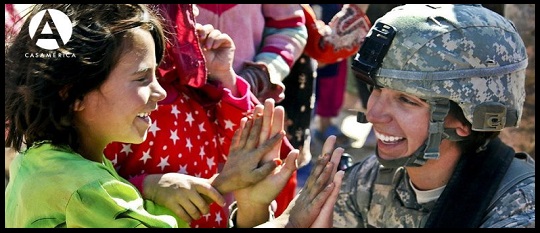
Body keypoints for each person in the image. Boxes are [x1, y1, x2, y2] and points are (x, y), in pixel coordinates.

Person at [4, 4, 343, 228]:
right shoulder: (88, 189)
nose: (162, 92)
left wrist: (224, 185)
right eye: (142, 78)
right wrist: (288, 222)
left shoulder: (39, 159)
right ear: (72, 91)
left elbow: (149, 217)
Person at [332, 4, 535, 228]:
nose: (373, 114)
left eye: (407, 100)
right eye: (376, 89)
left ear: (464, 121)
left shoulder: (519, 210)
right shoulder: (368, 183)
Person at [195, 4, 308, 217]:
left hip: (246, 111)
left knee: (247, 200)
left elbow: (291, 27)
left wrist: (262, 73)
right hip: (171, 115)